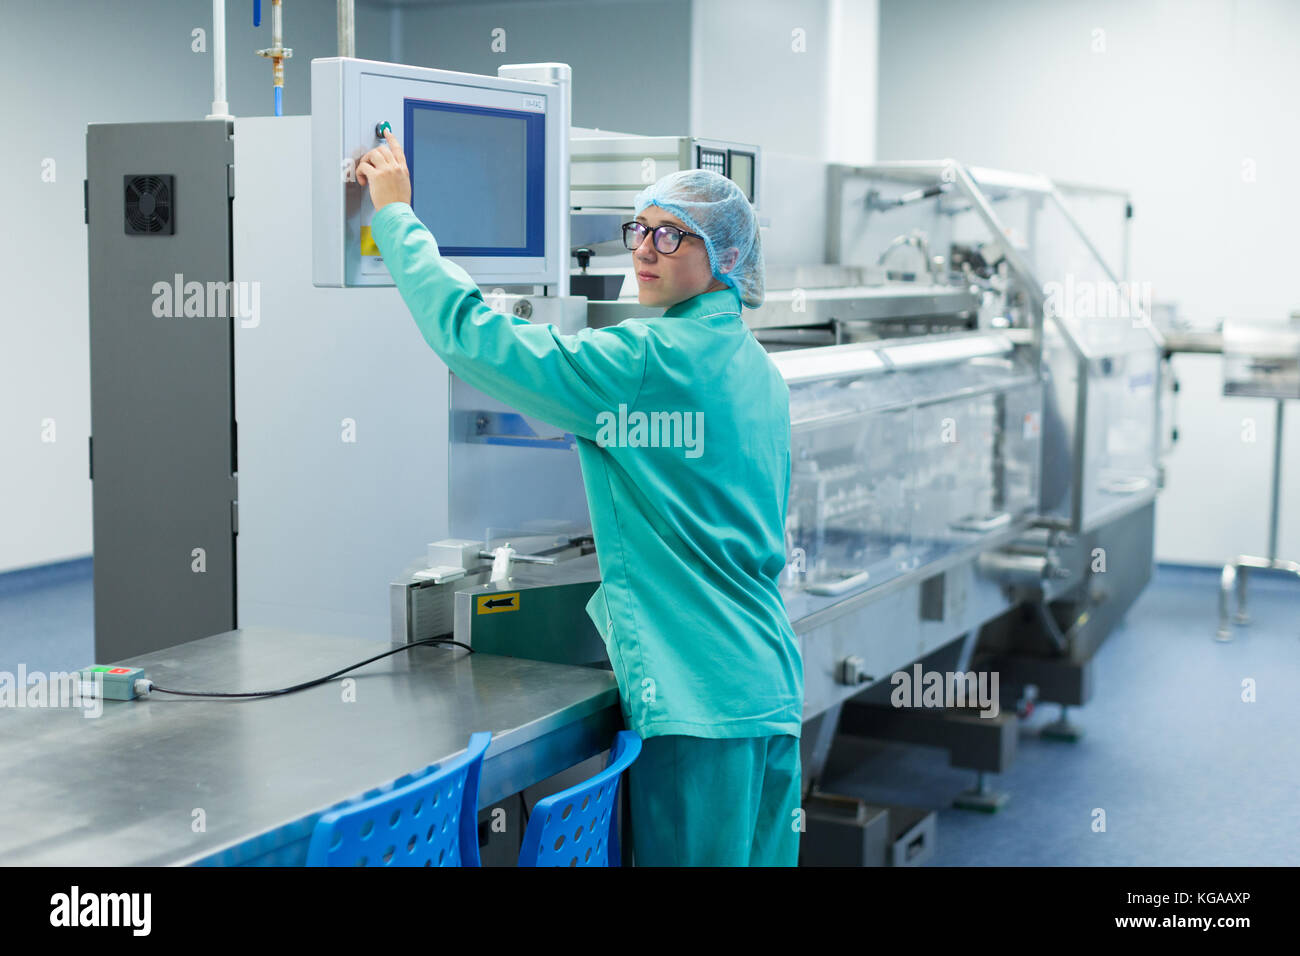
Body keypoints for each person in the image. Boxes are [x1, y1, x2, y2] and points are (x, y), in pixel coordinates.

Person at [357, 132, 804, 866]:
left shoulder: (646, 361)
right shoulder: (759, 371)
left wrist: (396, 217)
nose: (645, 248)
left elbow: (473, 338)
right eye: (640, 229)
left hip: (697, 705)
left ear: (723, 256)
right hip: (767, 689)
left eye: (671, 235)